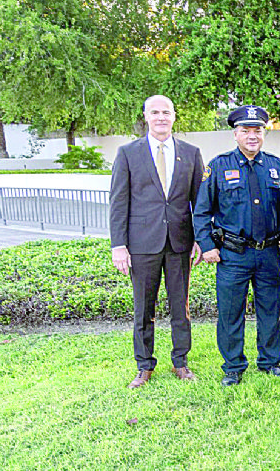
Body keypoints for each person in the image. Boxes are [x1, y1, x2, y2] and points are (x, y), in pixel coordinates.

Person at [193, 105, 280, 387]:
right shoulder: (219, 165)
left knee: (270, 309)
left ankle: (270, 361)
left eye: (257, 130)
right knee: (230, 312)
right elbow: (201, 211)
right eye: (246, 131)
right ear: (235, 134)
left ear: (264, 134)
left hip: (269, 254)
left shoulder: (276, 166)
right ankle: (233, 366)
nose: (252, 136)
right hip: (232, 254)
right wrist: (207, 245)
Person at [110, 95, 204, 388]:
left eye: (166, 112)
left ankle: (181, 362)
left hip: (179, 243)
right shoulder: (128, 153)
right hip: (141, 244)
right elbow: (118, 201)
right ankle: (144, 365)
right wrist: (118, 245)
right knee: (143, 309)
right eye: (155, 112)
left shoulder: (191, 153)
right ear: (146, 116)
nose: (161, 117)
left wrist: (201, 238)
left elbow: (198, 202)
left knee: (181, 307)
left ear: (174, 116)